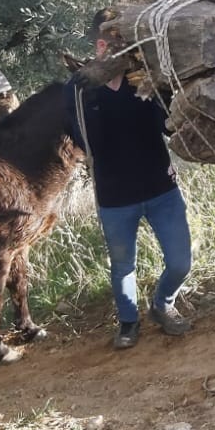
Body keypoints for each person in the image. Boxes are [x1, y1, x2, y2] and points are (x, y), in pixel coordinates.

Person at [66, 43, 193, 349]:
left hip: (161, 189)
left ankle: (162, 304)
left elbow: (167, 126)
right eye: (104, 41)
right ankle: (128, 322)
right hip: (115, 197)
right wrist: (89, 95)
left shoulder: (143, 79)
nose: (109, 48)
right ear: (97, 46)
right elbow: (85, 142)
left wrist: (163, 91)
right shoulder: (81, 88)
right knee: (123, 265)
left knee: (181, 262)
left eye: (118, 41)